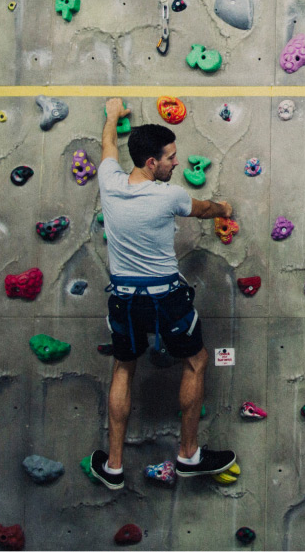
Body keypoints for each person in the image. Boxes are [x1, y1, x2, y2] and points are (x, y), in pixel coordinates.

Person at [87, 98, 238, 490]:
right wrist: (224, 206)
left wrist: (112, 115)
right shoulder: (168, 196)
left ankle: (115, 466)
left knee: (124, 367)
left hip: (124, 298)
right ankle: (189, 455)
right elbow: (203, 210)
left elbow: (107, 148)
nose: (175, 162)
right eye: (170, 157)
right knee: (195, 362)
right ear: (151, 163)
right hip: (165, 297)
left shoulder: (110, 182)